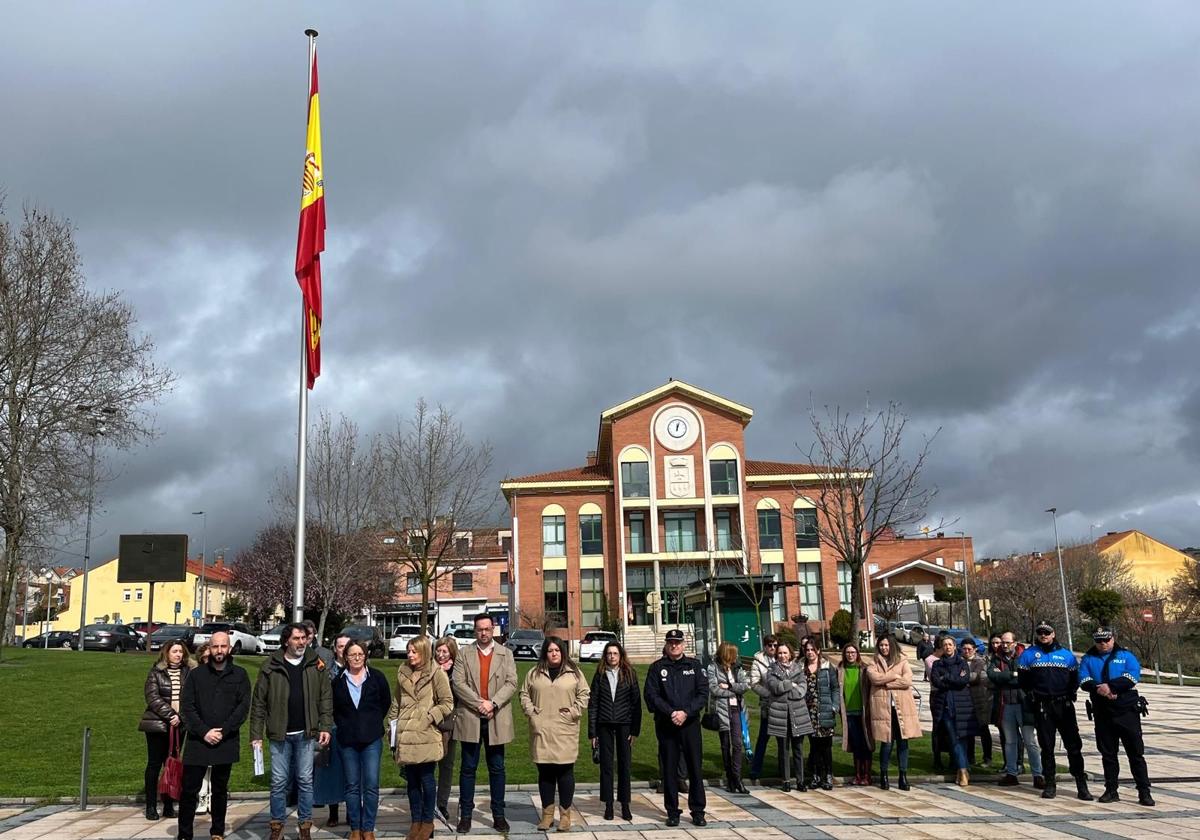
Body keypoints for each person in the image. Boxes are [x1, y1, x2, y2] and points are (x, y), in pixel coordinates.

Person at [251, 622, 334, 840]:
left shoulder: (316, 664)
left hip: (306, 733)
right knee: (279, 781)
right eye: (296, 638)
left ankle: (304, 826)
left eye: (304, 638)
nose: (301, 642)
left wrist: (325, 726)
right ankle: (277, 825)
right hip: (280, 734)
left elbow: (325, 697)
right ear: (286, 640)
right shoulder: (270, 665)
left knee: (305, 780)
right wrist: (256, 734)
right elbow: (259, 702)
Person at [177, 631, 251, 840]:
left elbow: (242, 708)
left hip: (225, 740)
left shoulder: (240, 675)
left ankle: (217, 831)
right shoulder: (196, 675)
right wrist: (204, 732)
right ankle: (184, 833)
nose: (219, 651)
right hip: (198, 741)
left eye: (223, 646)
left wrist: (223, 731)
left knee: (220, 789)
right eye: (215, 646)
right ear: (209, 648)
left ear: (229, 648)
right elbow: (187, 707)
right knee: (189, 790)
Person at [451, 613, 518, 834]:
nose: (483, 633)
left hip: (496, 717)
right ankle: (466, 816)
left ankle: (499, 815)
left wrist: (493, 704)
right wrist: (480, 703)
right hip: (471, 716)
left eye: (487, 629)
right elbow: (457, 683)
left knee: (497, 768)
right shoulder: (463, 654)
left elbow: (512, 683)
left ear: (493, 630)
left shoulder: (506, 654)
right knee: (468, 768)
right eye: (479, 629)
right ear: (475, 631)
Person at [521, 636, 590, 832]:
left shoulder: (574, 673)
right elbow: (523, 693)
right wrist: (531, 711)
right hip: (541, 729)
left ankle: (565, 815)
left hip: (565, 729)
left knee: (565, 772)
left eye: (558, 650)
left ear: (563, 652)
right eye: (551, 650)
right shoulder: (534, 673)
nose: (554, 654)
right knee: (545, 773)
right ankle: (547, 815)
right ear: (545, 652)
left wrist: (574, 711)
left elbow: (584, 693)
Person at [388, 635, 454, 840]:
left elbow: (447, 702)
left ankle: (427, 821)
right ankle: (415, 822)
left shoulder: (436, 673)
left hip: (426, 734)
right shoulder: (403, 672)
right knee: (412, 782)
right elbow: (396, 702)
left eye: (414, 651)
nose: (410, 655)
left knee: (427, 780)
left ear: (424, 652)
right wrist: (391, 727)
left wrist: (429, 717)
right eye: (408, 651)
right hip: (406, 735)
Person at [1018, 620, 1092, 801]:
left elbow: (1075, 678)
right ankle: (1050, 784)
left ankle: (1081, 785)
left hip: (1064, 705)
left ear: (1053, 634)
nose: (1043, 635)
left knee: (1073, 747)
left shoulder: (1066, 655)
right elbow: (1023, 680)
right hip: (1042, 706)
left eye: (1047, 632)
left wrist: (1069, 694)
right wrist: (1033, 695)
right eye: (1040, 632)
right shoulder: (1029, 655)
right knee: (1047, 747)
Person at [1080, 627, 1153, 806]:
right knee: (1108, 754)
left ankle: (1144, 792)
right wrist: (1101, 689)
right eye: (1099, 641)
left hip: (1126, 711)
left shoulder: (1126, 656)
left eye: (1106, 640)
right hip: (1102, 711)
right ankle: (1111, 790)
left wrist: (1112, 687)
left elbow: (1133, 675)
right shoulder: (1088, 658)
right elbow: (1083, 679)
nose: (1103, 643)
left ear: (1113, 639)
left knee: (1135, 753)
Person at [643, 628, 708, 827]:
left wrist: (685, 712)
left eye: (677, 642)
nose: (674, 645)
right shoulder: (656, 668)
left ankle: (698, 811)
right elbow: (651, 695)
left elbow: (703, 693)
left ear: (684, 644)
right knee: (669, 769)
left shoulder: (695, 666)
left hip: (689, 725)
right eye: (670, 642)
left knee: (695, 768)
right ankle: (672, 811)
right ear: (666, 644)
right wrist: (671, 712)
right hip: (667, 725)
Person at [333, 639, 392, 840]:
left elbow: (386, 703)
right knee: (351, 786)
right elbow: (333, 710)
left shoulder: (377, 678)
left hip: (372, 739)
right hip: (347, 740)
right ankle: (355, 828)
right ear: (345, 657)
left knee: (371, 784)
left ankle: (368, 828)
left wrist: (372, 722)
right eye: (352, 655)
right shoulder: (338, 681)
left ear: (365, 656)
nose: (357, 658)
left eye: (360, 654)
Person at [139, 639, 193, 821]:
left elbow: (192, 697)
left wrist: (181, 717)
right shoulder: (156, 672)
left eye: (180, 651)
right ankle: (151, 806)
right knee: (155, 764)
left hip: (180, 724)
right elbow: (152, 697)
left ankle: (169, 804)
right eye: (174, 651)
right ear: (166, 653)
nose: (178, 655)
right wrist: (170, 714)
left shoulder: (189, 672)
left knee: (172, 764)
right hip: (158, 725)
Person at [587, 640, 641, 821]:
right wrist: (592, 732)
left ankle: (625, 804)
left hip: (624, 724)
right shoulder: (600, 674)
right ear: (605, 656)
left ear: (620, 655)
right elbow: (593, 703)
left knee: (625, 765)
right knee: (606, 766)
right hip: (604, 724)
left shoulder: (629, 674)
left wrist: (635, 730)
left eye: (615, 653)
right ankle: (608, 805)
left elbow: (636, 704)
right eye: (609, 654)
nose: (612, 657)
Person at [987, 630, 1044, 788]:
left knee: (1030, 741)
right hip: (1005, 704)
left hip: (1023, 704)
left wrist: (1005, 676)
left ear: (1015, 642)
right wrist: (1011, 675)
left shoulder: (1024, 656)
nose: (1004, 645)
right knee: (1010, 741)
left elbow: (1024, 679)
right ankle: (1011, 773)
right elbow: (992, 675)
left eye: (1007, 642)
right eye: (1002, 642)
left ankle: (1037, 774)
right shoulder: (996, 657)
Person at [863, 636, 920, 791]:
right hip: (883, 708)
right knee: (887, 743)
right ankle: (884, 775)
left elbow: (907, 681)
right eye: (881, 645)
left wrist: (886, 681)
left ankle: (903, 775)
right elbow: (874, 679)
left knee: (903, 743)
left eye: (886, 645)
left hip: (901, 708)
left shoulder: (902, 660)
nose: (884, 648)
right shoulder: (873, 662)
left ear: (892, 646)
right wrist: (895, 676)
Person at [315, 633, 352, 829]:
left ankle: (352, 811)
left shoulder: (357, 669)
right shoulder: (326, 671)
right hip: (332, 724)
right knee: (331, 770)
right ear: (335, 649)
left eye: (347, 646)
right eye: (340, 646)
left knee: (351, 771)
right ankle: (333, 812)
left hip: (351, 726)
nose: (344, 650)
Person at [764, 641, 811, 791]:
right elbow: (775, 688)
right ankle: (785, 780)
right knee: (783, 749)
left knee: (798, 748)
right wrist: (791, 684)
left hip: (797, 713)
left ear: (790, 654)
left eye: (785, 653)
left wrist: (788, 686)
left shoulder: (798, 668)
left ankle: (800, 780)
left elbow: (802, 690)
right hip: (780, 714)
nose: (783, 656)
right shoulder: (771, 670)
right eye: (780, 653)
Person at [930, 636, 976, 786]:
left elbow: (964, 680)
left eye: (950, 644)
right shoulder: (937, 664)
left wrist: (947, 677)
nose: (948, 647)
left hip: (961, 706)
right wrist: (953, 679)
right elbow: (936, 681)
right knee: (953, 738)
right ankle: (963, 769)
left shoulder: (962, 662)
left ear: (955, 646)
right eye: (945, 645)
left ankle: (962, 768)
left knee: (962, 738)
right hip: (946, 707)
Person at [706, 641, 750, 794]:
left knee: (738, 744)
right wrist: (733, 692)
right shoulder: (713, 667)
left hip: (737, 708)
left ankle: (737, 778)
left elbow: (745, 686)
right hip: (722, 710)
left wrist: (730, 687)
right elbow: (714, 689)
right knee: (725, 745)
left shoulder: (737, 667)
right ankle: (730, 778)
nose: (736, 656)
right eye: (734, 654)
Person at [799, 640, 840, 790]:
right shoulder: (800, 667)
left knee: (826, 746)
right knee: (814, 745)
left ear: (818, 650)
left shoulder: (827, 667)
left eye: (812, 650)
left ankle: (828, 775)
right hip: (808, 712)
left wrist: (834, 706)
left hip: (824, 710)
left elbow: (835, 688)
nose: (809, 652)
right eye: (807, 650)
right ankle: (815, 775)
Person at [838, 643, 873, 786]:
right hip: (849, 713)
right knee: (856, 744)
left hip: (863, 712)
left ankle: (867, 774)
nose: (850, 655)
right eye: (848, 653)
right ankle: (858, 774)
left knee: (866, 743)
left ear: (857, 654)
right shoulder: (840, 670)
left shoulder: (864, 670)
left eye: (853, 652)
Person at [434, 636, 460, 823]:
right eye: (438, 651)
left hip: (449, 725)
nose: (441, 655)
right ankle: (427, 803)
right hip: (430, 723)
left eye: (445, 652)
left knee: (447, 765)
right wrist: (439, 673)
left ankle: (442, 802)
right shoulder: (430, 669)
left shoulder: (456, 671)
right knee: (427, 765)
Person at [747, 634, 778, 784]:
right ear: (765, 647)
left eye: (775, 645)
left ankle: (783, 769)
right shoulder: (759, 661)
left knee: (782, 739)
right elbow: (754, 683)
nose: (773, 648)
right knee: (763, 737)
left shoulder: (783, 656)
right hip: (768, 704)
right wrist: (768, 694)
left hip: (783, 704)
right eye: (770, 645)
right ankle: (756, 768)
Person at [961, 639, 994, 767]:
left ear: (975, 649)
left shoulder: (980, 661)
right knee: (968, 731)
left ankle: (987, 758)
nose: (967, 651)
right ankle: (970, 758)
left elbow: (975, 676)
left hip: (980, 699)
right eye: (964, 649)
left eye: (969, 649)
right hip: (965, 699)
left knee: (983, 728)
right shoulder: (960, 661)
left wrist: (962, 677)